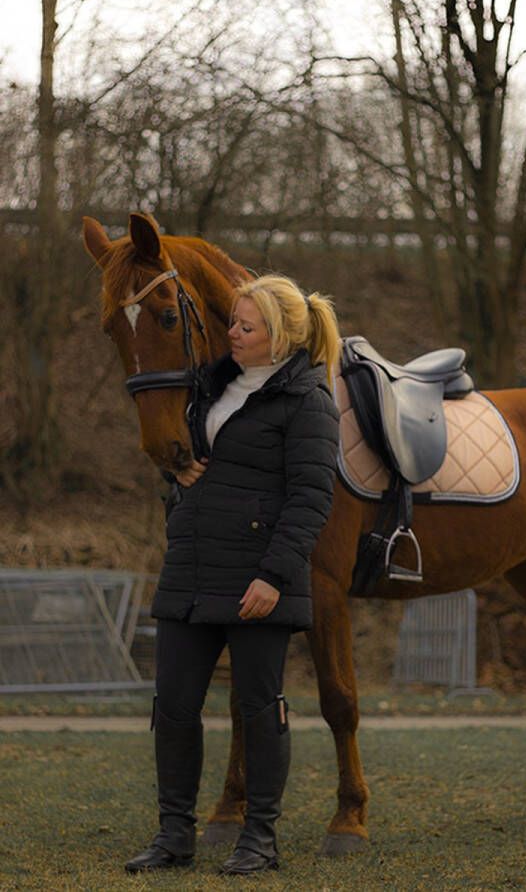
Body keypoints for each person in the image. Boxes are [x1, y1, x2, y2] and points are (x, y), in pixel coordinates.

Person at [125, 275, 341, 875]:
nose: (233, 334)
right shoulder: (210, 386)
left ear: (281, 337)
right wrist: (179, 479)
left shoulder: (308, 402)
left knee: (257, 707)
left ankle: (260, 839)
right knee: (171, 704)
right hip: (192, 567)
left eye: (247, 327)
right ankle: (174, 835)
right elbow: (189, 457)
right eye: (234, 323)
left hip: (257, 578)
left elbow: (311, 497)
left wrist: (274, 575)